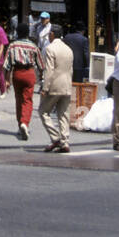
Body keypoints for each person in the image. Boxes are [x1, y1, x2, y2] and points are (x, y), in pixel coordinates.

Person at [4, 22, 44, 140]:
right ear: (28, 33)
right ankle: (24, 122)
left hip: (17, 73)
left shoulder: (13, 45)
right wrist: (41, 76)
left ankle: (19, 124)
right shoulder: (33, 45)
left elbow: (7, 64)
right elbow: (41, 65)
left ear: (17, 33)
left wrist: (7, 80)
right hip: (29, 73)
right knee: (28, 100)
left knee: (19, 99)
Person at [38, 23, 73, 153]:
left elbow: (49, 70)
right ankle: (65, 142)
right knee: (64, 115)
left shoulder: (50, 49)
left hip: (54, 86)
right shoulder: (68, 49)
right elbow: (71, 69)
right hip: (67, 85)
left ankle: (55, 137)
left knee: (43, 111)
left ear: (52, 34)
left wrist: (45, 88)